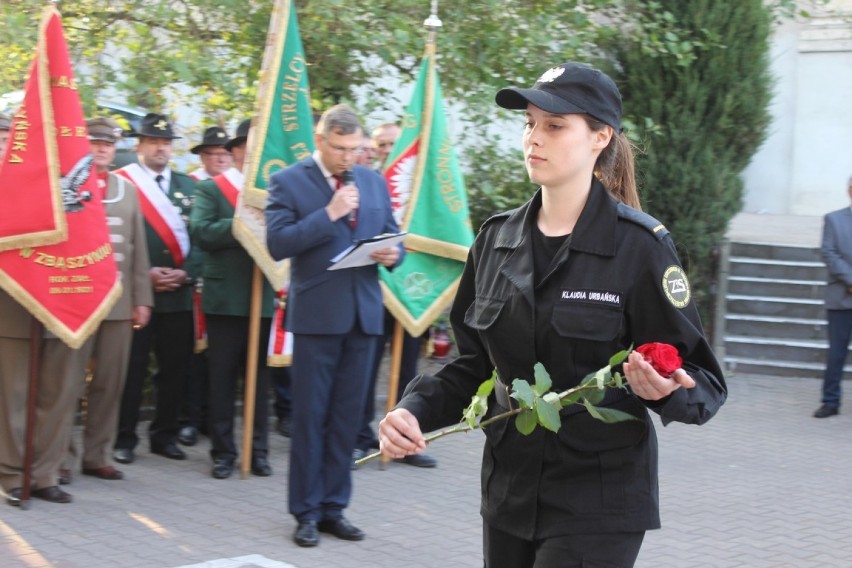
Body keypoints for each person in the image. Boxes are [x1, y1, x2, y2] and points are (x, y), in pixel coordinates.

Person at [378, 62, 728, 568]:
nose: (534, 138)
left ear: (600, 137)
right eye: (529, 124)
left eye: (555, 125)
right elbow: (474, 364)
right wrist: (413, 410)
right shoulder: (496, 240)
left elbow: (704, 380)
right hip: (509, 490)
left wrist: (669, 390)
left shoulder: (640, 248)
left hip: (597, 500)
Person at [266, 104, 404, 548]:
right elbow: (277, 243)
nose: (350, 157)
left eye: (356, 149)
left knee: (348, 419)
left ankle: (333, 508)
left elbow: (391, 234)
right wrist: (328, 213)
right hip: (317, 320)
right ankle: (304, 512)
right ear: (320, 141)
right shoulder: (287, 181)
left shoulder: (373, 180)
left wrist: (391, 255)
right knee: (310, 417)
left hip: (364, 317)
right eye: (341, 148)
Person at [59, 117, 153, 484]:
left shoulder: (126, 190)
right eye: (95, 142)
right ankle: (60, 455)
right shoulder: (65, 185)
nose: (102, 148)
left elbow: (138, 249)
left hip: (117, 302)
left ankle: (97, 454)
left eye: (108, 144)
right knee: (66, 383)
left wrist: (141, 298)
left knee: (109, 383)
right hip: (74, 300)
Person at [113, 112, 200, 465]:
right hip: (138, 295)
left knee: (174, 370)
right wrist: (145, 273)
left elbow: (202, 240)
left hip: (178, 294)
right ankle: (124, 439)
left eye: (166, 142)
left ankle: (164, 436)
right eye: (154, 142)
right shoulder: (122, 184)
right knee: (131, 370)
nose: (161, 148)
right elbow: (114, 239)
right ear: (139, 145)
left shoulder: (189, 186)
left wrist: (186, 274)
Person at [190, 118, 275, 479]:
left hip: (266, 298)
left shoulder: (277, 192)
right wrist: (241, 222)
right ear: (236, 151)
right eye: (246, 147)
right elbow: (201, 231)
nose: (253, 153)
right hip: (225, 300)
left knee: (259, 382)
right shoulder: (212, 190)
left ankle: (258, 451)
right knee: (222, 379)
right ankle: (224, 452)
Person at [0, 292, 92, 506]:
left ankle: (46, 476)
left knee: (57, 398)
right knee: (13, 400)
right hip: (13, 310)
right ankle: (12, 476)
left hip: (65, 312)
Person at [813, 176, 852, 418]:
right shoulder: (834, 219)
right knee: (836, 353)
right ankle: (830, 401)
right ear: (850, 190)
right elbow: (828, 252)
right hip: (841, 299)